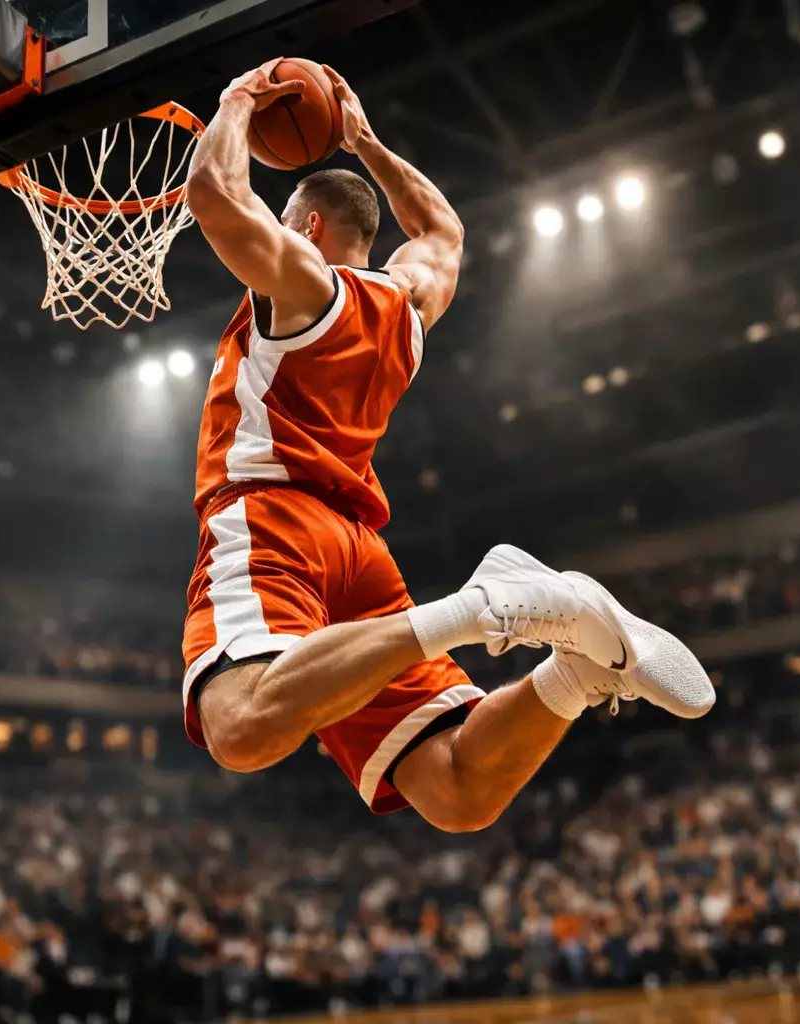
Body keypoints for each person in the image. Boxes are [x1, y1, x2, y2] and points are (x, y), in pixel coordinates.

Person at [180, 60, 715, 832]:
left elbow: (215, 195)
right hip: (355, 548)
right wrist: (363, 140)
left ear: (304, 227)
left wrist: (234, 103)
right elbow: (441, 230)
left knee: (239, 726)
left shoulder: (300, 282)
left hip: (272, 521)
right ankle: (570, 671)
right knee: (458, 787)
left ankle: (482, 609)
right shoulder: (409, 303)